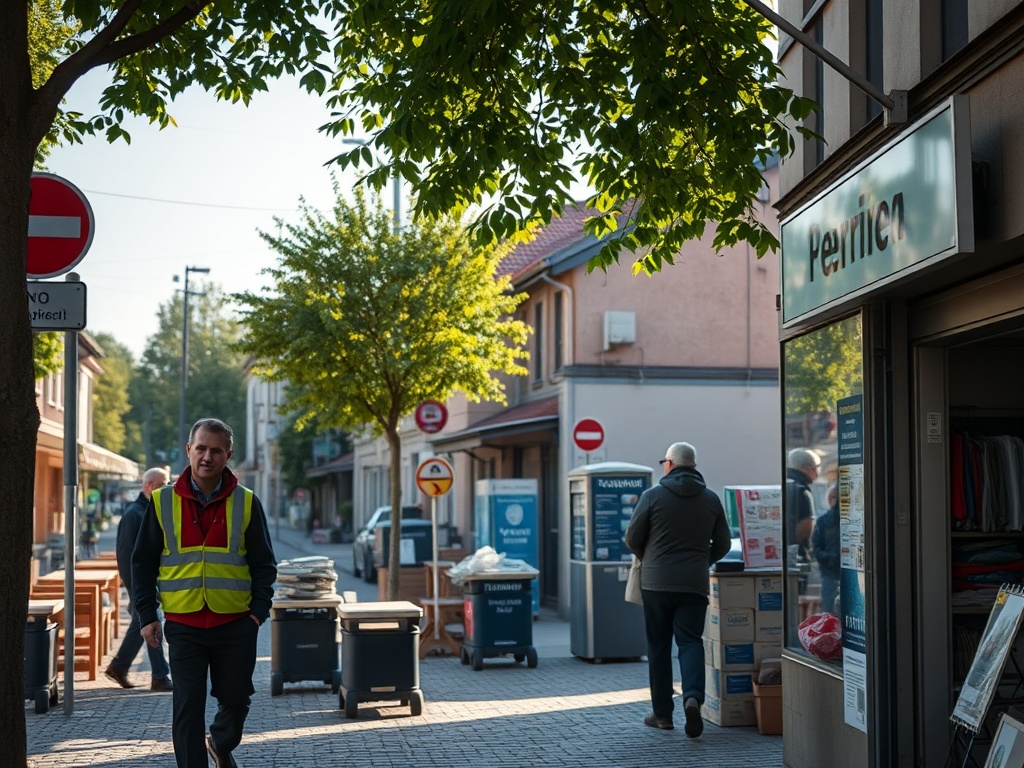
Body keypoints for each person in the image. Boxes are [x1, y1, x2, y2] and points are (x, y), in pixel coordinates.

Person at [134, 418, 277, 768]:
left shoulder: (246, 502)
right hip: (183, 624)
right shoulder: (162, 501)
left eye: (216, 450)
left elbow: (264, 564)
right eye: (201, 448)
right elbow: (143, 563)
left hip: (235, 624)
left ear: (228, 455)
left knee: (236, 699)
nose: (207, 457)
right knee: (187, 707)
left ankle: (221, 741)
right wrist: (147, 615)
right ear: (188, 450)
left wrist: (257, 612)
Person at [625, 442, 731, 738]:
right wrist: (700, 561)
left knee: (658, 647)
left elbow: (632, 537)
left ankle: (662, 715)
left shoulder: (652, 496)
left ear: (669, 464)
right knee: (690, 642)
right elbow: (723, 543)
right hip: (694, 584)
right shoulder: (710, 500)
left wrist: (652, 559)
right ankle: (693, 698)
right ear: (693, 467)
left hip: (656, 584)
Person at [104, 467, 174, 691]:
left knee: (143, 624)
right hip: (140, 586)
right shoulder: (134, 514)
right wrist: (137, 590)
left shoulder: (150, 510)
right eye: (163, 485)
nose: (167, 489)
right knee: (149, 622)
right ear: (149, 487)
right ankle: (159, 676)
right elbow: (127, 558)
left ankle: (121, 667)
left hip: (149, 584)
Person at [786, 448, 821, 561]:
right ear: (809, 468)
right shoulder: (802, 492)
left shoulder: (783, 484)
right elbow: (805, 529)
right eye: (818, 467)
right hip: (796, 558)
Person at [812, 484, 841, 615]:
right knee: (829, 611)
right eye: (829, 497)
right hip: (829, 573)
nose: (831, 500)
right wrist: (829, 558)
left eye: (834, 497)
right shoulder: (823, 521)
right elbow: (816, 547)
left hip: (836, 572)